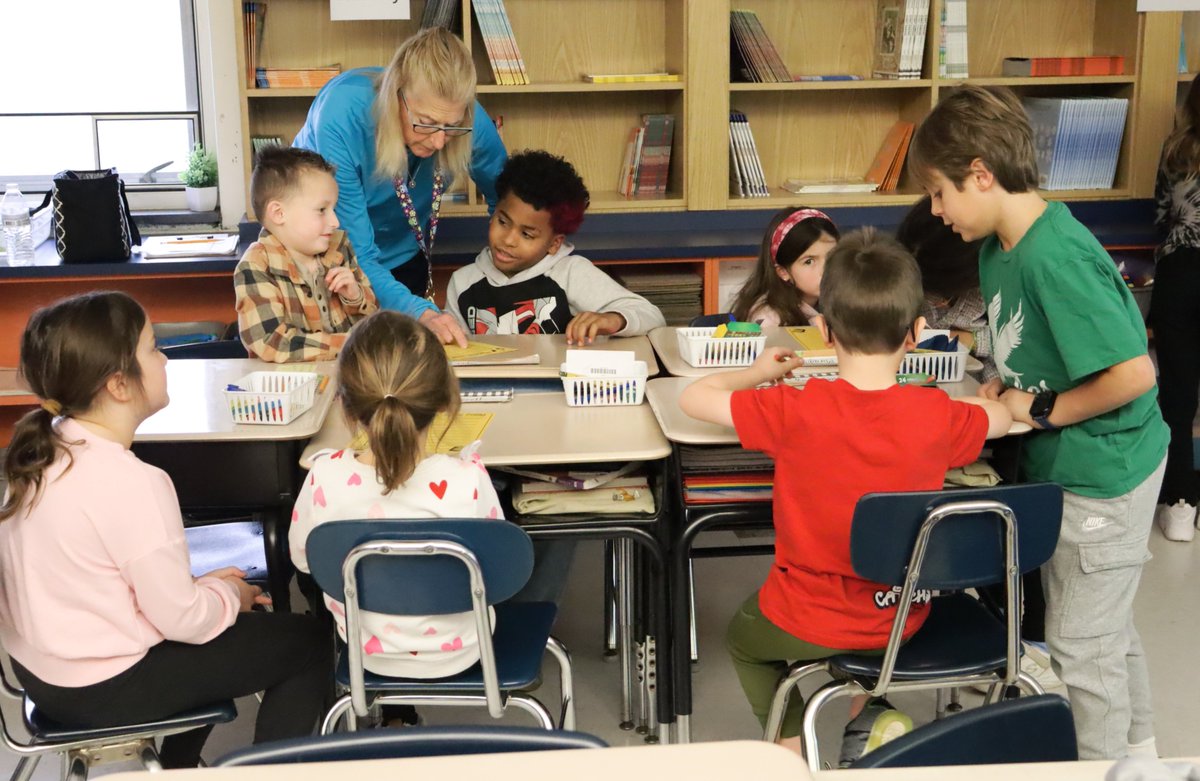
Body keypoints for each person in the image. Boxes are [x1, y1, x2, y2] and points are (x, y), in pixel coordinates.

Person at [679, 228, 1011, 762]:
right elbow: (998, 419)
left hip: (808, 617)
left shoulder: (796, 408)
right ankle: (869, 718)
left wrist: (759, 371)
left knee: (744, 643)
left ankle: (791, 751)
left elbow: (696, 398)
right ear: (916, 332)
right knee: (870, 633)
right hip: (902, 616)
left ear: (826, 331)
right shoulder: (936, 415)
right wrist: (993, 401)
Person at [908, 84, 1169, 760]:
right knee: (1103, 630)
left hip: (1105, 467)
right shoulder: (1000, 246)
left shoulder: (1055, 254)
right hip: (1074, 464)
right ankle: (1140, 759)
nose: (935, 212)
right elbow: (1039, 345)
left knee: (1083, 646)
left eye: (940, 192)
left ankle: (1103, 769)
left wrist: (1042, 407)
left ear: (982, 173)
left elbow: (1134, 373)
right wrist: (1011, 381)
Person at [0, 292, 332, 768]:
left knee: (222, 625)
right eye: (154, 349)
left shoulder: (40, 450)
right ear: (118, 383)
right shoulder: (135, 482)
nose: (165, 361)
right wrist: (230, 598)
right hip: (104, 686)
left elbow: (103, 584)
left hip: (42, 676)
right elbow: (185, 623)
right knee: (306, 641)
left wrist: (202, 588)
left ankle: (178, 769)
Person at [290, 310, 504, 677]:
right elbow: (496, 568)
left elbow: (305, 560)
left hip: (365, 652)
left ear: (346, 406)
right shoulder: (468, 479)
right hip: (466, 647)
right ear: (444, 400)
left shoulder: (323, 476)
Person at [293, 27, 508, 348]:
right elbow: (357, 252)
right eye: (425, 122)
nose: (438, 141)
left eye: (451, 127)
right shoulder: (342, 116)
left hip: (403, 256)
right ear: (397, 95)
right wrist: (420, 311)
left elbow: (510, 201)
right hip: (327, 262)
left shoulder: (468, 119)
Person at [445, 149, 665, 343]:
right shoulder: (462, 283)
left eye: (527, 234)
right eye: (503, 222)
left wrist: (613, 319)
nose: (508, 240)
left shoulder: (570, 273)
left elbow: (652, 317)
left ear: (554, 243)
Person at [235, 145, 378, 362]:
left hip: (343, 377)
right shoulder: (255, 266)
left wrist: (356, 296)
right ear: (279, 213)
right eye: (322, 210)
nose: (335, 221)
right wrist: (350, 344)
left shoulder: (339, 246)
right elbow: (272, 342)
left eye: (334, 209)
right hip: (288, 389)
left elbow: (371, 316)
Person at [1150, 72, 1200, 542]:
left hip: (1182, 274)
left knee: (1179, 397)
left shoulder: (1177, 149)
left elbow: (1162, 216)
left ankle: (1180, 504)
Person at [895, 195, 998, 381]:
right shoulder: (900, 279)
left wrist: (966, 339)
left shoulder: (994, 282)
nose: (939, 303)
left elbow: (1015, 346)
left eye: (941, 293)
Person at [730, 206, 839, 327]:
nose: (826, 270)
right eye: (809, 261)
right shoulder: (770, 320)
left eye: (831, 256)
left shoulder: (841, 301)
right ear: (783, 272)